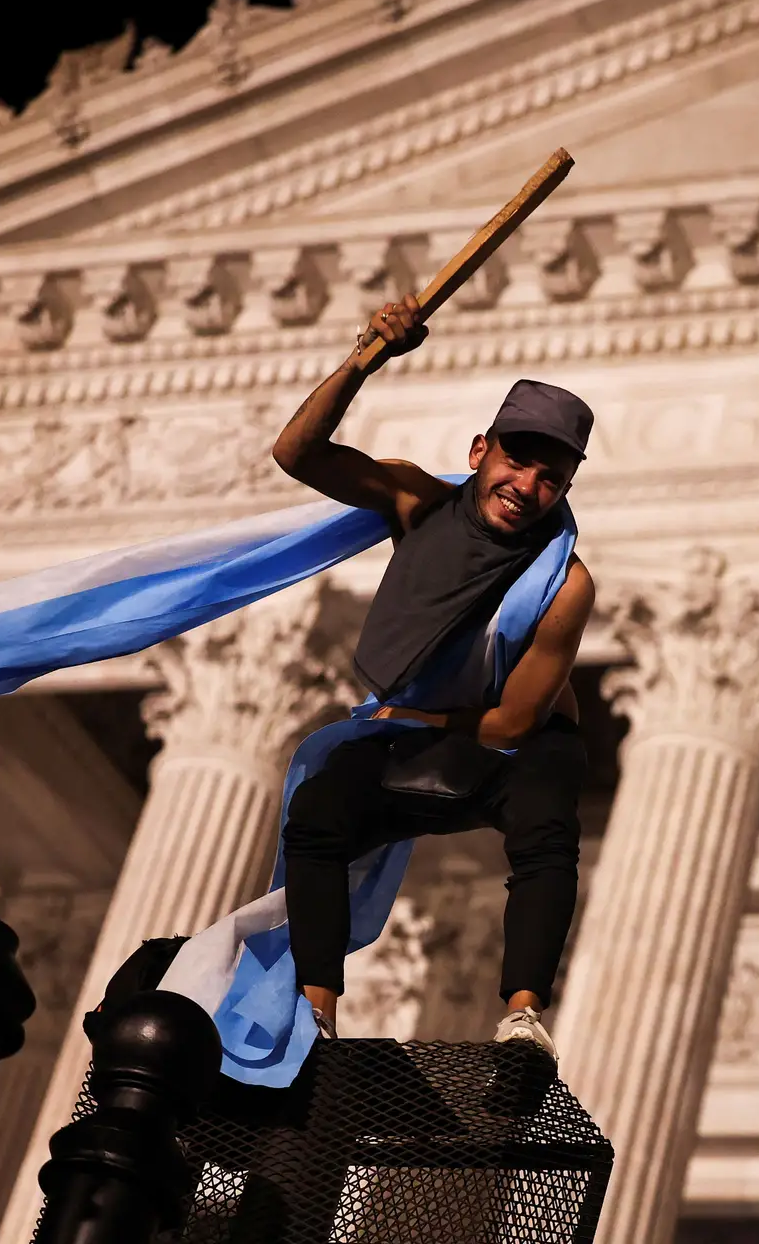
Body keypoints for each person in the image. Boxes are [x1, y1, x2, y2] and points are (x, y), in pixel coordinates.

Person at [267, 293, 597, 1061]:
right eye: (518, 460)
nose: (527, 485)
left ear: (565, 491)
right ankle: (316, 1013)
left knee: (546, 832)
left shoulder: (566, 585)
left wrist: (407, 723)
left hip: (512, 745)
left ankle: (522, 1016)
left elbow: (512, 726)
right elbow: (298, 454)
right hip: (420, 728)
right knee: (319, 816)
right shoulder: (418, 502)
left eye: (551, 478)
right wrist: (363, 361)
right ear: (481, 451)